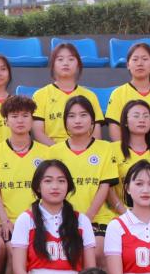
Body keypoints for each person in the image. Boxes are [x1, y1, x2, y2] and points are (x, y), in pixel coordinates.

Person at [0, 95, 48, 274]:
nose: (20, 120)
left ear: (32, 119)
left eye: (25, 115)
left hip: (37, 221)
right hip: (8, 221)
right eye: (14, 116)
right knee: (13, 251)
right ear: (6, 120)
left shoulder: (46, 153)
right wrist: (4, 220)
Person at [47, 96, 119, 237]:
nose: (77, 120)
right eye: (72, 116)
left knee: (96, 247)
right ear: (65, 121)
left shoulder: (106, 148)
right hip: (61, 218)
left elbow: (104, 187)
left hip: (97, 218)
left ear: (92, 120)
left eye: (83, 115)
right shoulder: (53, 152)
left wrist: (86, 219)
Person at [106, 42, 150, 153]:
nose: (140, 63)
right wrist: (125, 152)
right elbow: (114, 126)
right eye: (135, 59)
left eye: (145, 59)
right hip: (129, 154)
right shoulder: (118, 93)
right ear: (128, 65)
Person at [31, 43, 102, 145]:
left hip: (85, 149)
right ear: (53, 65)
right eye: (60, 59)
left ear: (78, 64)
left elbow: (96, 133)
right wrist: (60, 151)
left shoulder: (90, 96)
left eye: (71, 59)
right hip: (52, 150)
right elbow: (38, 133)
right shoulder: (40, 95)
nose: (65, 63)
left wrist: (83, 150)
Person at [108, 100, 150, 218]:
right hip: (121, 215)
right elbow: (109, 189)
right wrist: (127, 215)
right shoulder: (111, 150)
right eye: (136, 116)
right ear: (125, 122)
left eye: (146, 116)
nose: (142, 120)